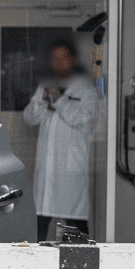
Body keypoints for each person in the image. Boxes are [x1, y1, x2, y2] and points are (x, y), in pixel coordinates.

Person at [22, 38, 99, 242]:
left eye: (63, 58)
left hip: (71, 174)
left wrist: (59, 101)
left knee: (75, 230)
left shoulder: (87, 91)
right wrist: (41, 103)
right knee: (38, 231)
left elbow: (85, 120)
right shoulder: (45, 87)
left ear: (72, 60)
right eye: (55, 59)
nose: (59, 63)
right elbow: (29, 117)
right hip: (46, 171)